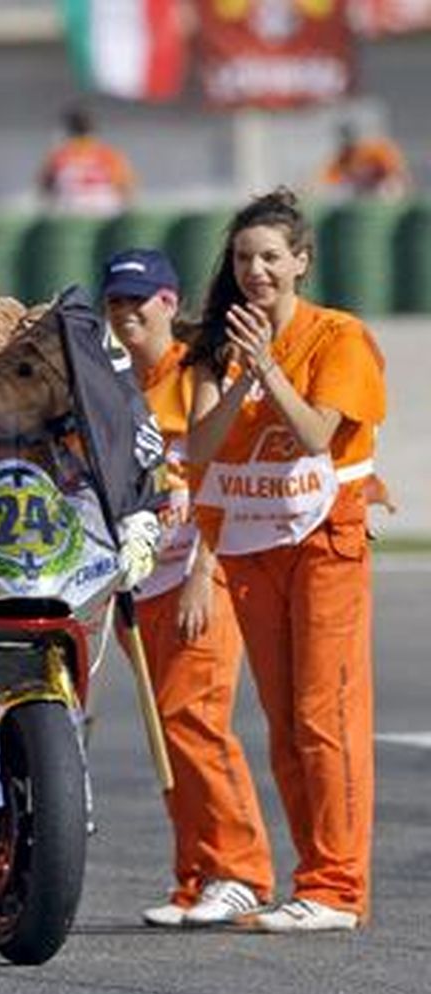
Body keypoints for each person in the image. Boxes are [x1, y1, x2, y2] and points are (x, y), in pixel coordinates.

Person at [187, 188, 386, 933]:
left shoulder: (339, 337)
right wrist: (241, 371)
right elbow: (199, 448)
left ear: (301, 261)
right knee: (283, 721)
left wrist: (269, 369)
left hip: (324, 542)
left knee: (324, 713)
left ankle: (338, 887)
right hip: (253, 543)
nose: (256, 271)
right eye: (244, 258)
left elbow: (313, 434)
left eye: (271, 257)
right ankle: (313, 878)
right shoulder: (220, 345)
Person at [100, 248, 274, 928]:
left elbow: (221, 475)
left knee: (192, 718)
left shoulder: (196, 371)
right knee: (165, 730)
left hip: (201, 572)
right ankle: (196, 875)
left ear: (169, 303)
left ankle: (243, 872)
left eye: (138, 299)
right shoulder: (113, 388)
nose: (125, 312)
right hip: (142, 582)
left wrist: (206, 570)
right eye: (115, 301)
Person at [38, 104, 137, 216]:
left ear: (67, 130)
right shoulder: (107, 154)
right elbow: (126, 186)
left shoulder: (59, 156)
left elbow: (45, 187)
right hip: (105, 211)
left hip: (71, 212)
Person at [318, 122, 412, 200]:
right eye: (343, 140)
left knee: (391, 187)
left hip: (379, 186)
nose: (347, 144)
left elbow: (397, 171)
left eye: (349, 138)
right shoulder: (342, 157)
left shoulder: (374, 149)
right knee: (339, 192)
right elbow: (327, 181)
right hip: (360, 191)